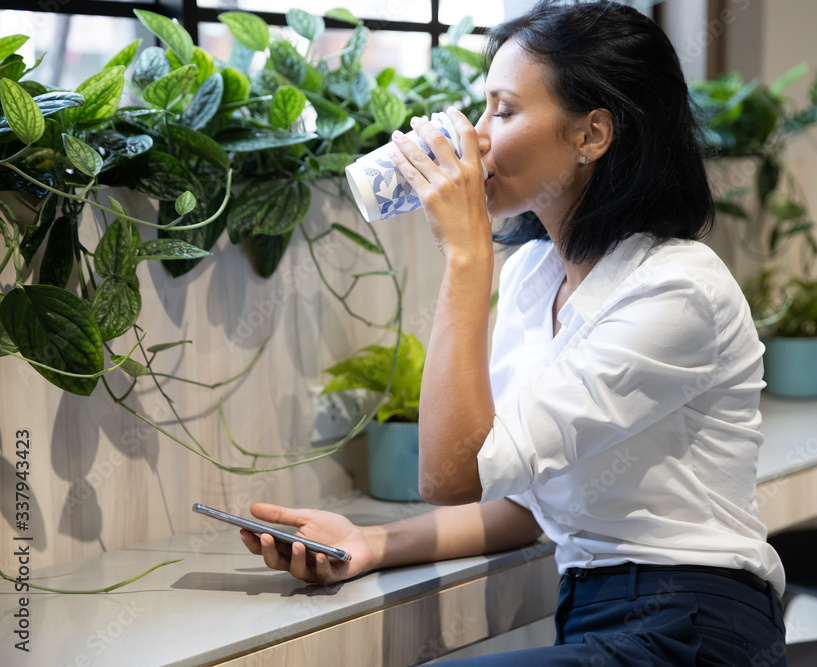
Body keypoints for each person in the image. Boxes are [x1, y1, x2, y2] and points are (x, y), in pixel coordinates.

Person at [240, 1, 788, 664]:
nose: (477, 137)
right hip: (598, 616)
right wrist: (371, 542)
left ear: (592, 135)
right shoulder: (534, 274)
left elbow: (450, 474)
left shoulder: (677, 290)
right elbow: (525, 504)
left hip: (694, 621)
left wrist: (465, 255)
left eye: (502, 109)